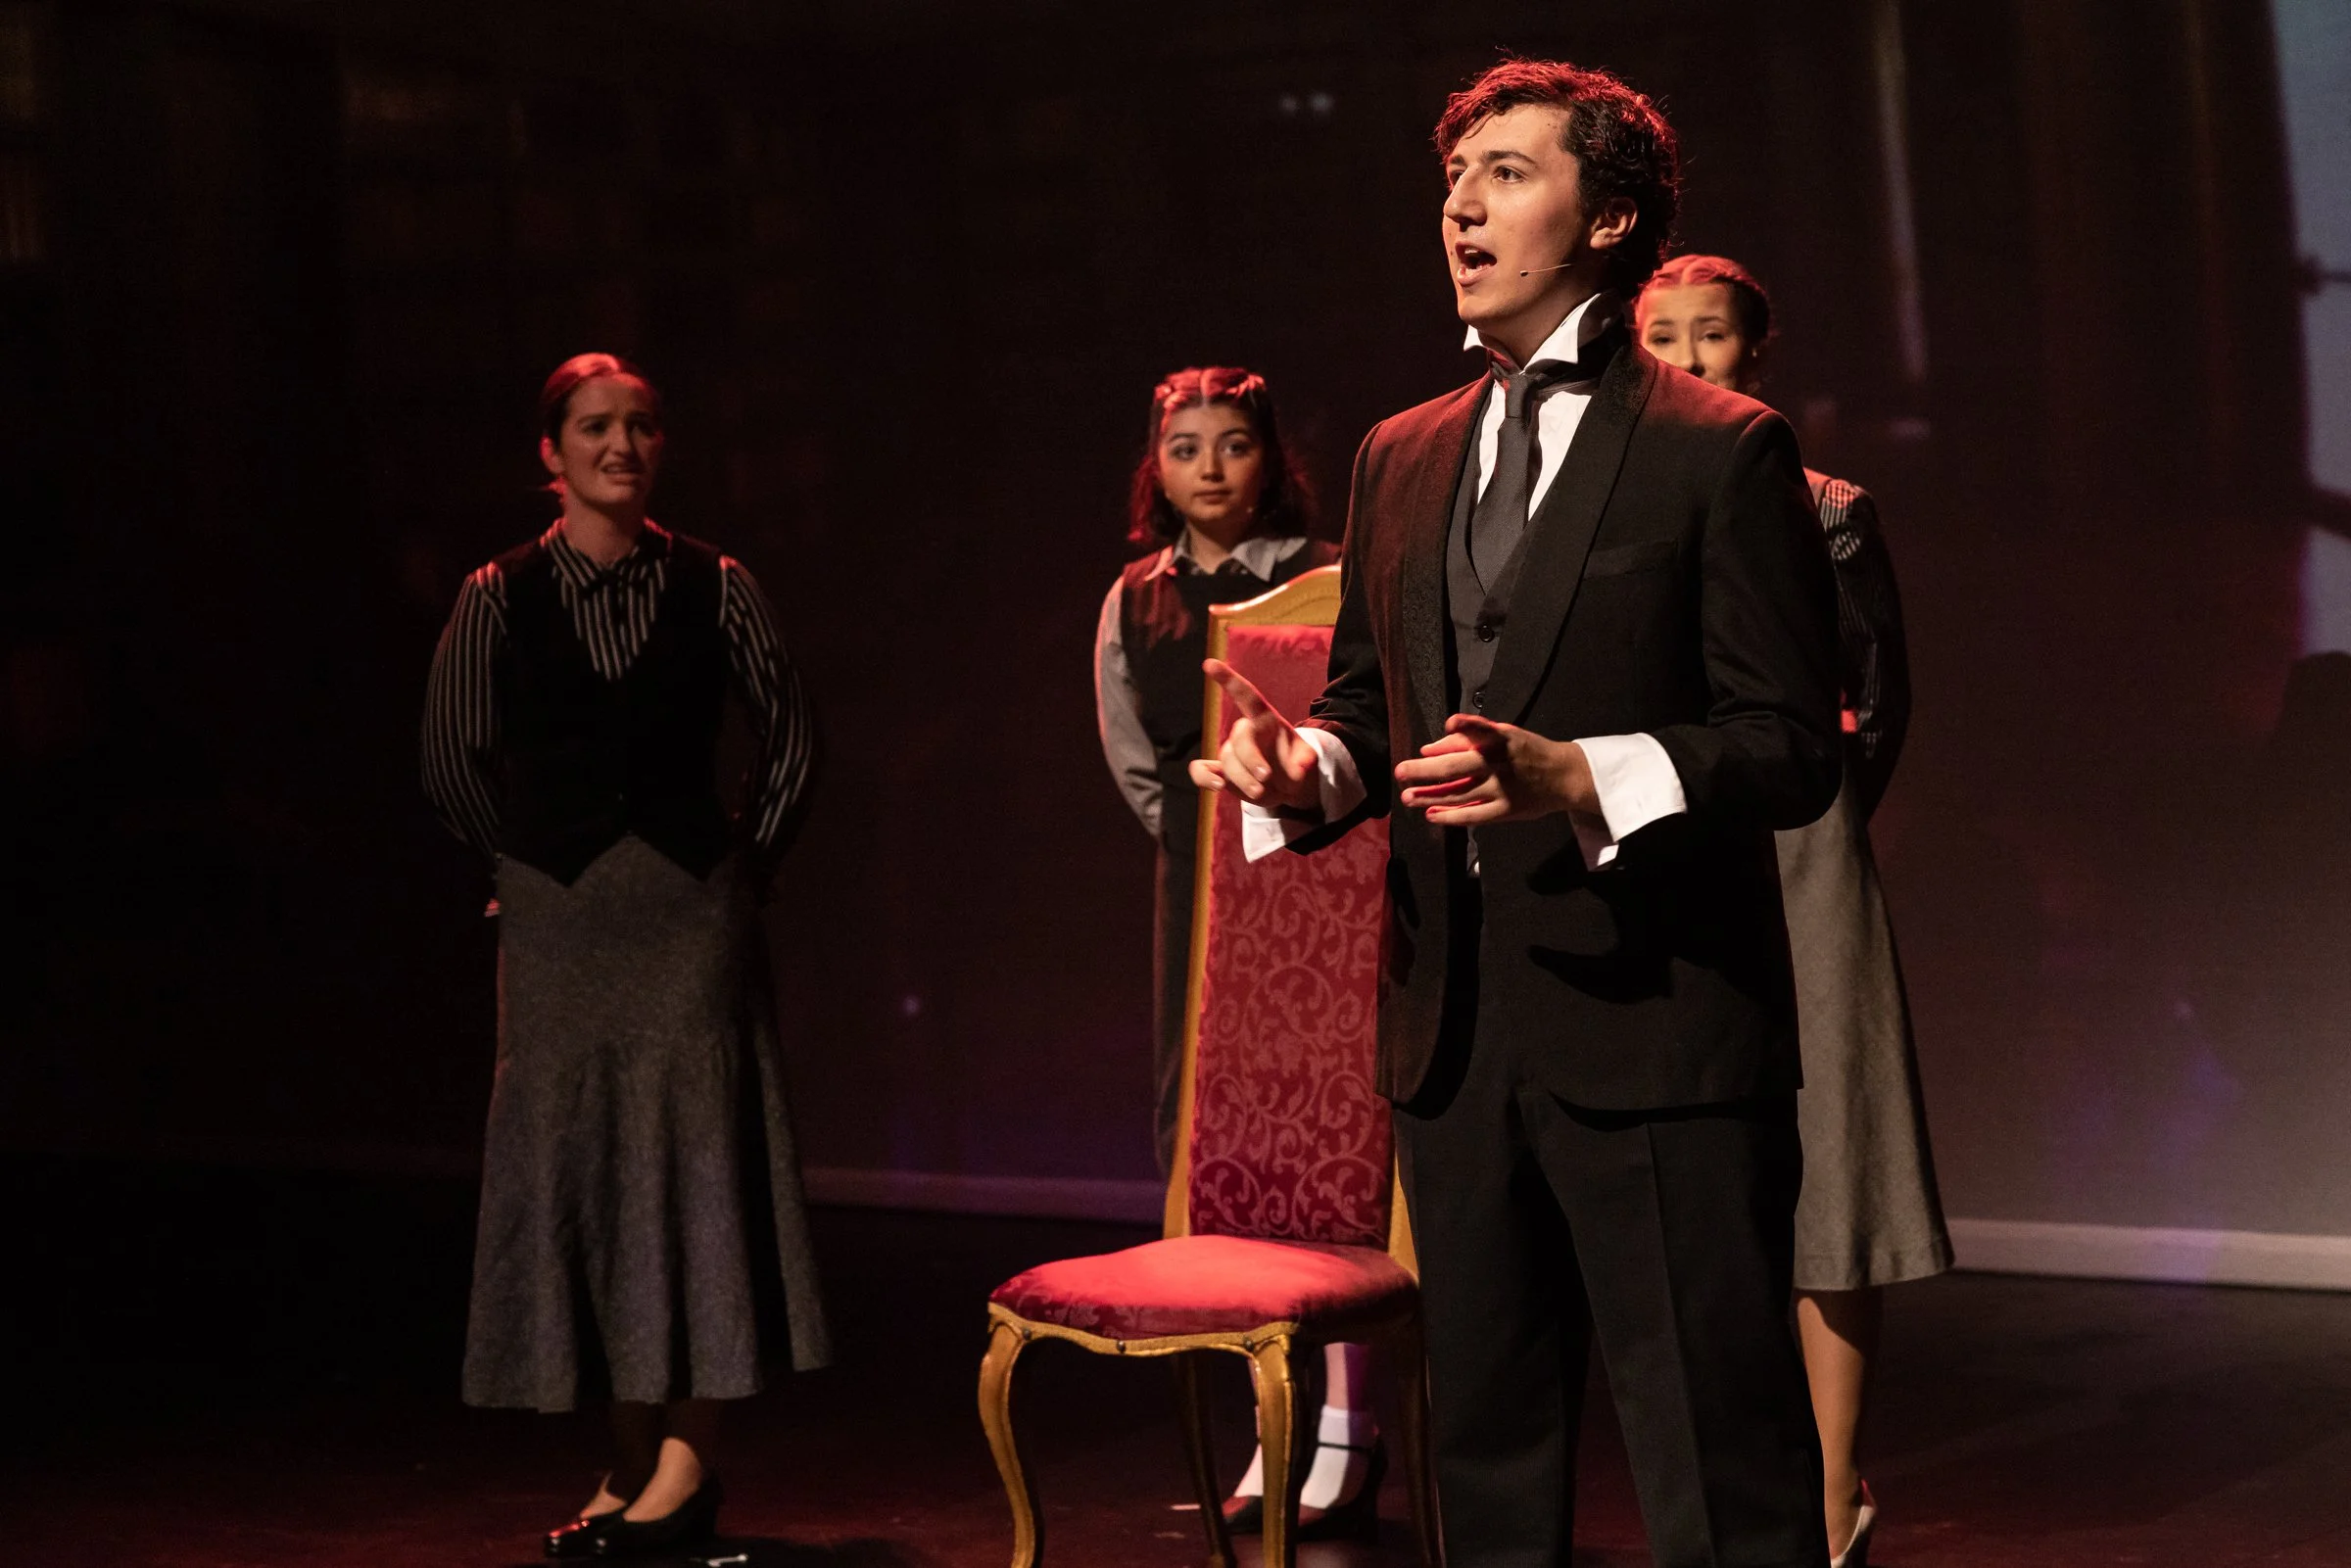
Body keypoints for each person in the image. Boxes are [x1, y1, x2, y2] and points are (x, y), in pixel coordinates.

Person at [1191, 61, 1842, 1567]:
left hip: (1658, 1031)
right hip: (1455, 1038)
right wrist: (1311, 773)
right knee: (1484, 1461)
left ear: (1608, 217)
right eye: (1453, 180)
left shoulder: (1716, 447)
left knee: (1718, 1465)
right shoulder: (1403, 452)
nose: (1461, 208)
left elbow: (1787, 747)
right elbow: (1373, 711)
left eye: (1506, 173)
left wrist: (1583, 773)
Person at [421, 353, 830, 1560]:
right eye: (596, 426)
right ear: (551, 454)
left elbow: (792, 735)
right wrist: (522, 866)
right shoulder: (497, 593)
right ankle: (632, 1457)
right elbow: (448, 756)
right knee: (593, 1177)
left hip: (686, 917)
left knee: (696, 1173)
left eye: (641, 425)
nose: (622, 444)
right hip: (562, 924)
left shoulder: (718, 583)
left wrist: (741, 863)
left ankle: (688, 1459)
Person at [1636, 252, 1949, 1567]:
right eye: (1662, 334)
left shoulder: (1826, 510)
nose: (1687, 356)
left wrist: (1817, 820)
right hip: (1662, 843)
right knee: (1689, 1179)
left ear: (1754, 353)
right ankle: (1728, 1484)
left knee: (1838, 1166)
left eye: (1710, 335)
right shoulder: (1611, 506)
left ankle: (1831, 1488)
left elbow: (1879, 699)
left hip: (1801, 848)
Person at [1092, 368, 1379, 1539]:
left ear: (1272, 456)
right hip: (1205, 889)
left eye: (1232, 444)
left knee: (1335, 1136)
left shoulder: (1332, 575)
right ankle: (1269, 1417)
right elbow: (1132, 754)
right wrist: (1202, 848)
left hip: (1326, 875)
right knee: (1218, 1134)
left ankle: (1347, 1424)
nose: (1209, 468)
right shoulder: (1136, 598)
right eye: (1185, 448)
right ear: (1155, 469)